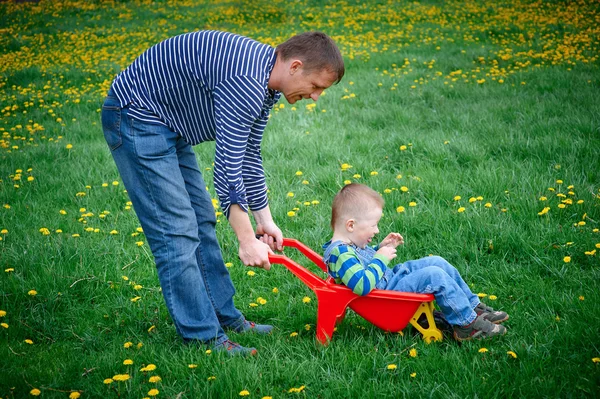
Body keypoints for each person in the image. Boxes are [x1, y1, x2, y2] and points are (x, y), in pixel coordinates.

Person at [101, 30, 344, 355]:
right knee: (177, 233)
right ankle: (203, 338)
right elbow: (228, 171)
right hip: (136, 116)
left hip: (167, 122)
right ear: (295, 66)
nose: (315, 98)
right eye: (316, 87)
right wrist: (245, 241)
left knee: (201, 220)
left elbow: (248, 155)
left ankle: (223, 316)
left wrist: (264, 221)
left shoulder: (267, 85)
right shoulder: (246, 82)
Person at [322, 183, 508, 341]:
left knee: (437, 261)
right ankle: (466, 324)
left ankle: (471, 307)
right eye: (373, 225)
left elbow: (363, 264)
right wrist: (381, 258)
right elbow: (362, 285)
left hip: (391, 280)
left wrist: (380, 248)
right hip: (387, 295)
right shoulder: (341, 254)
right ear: (351, 225)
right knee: (434, 275)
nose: (377, 230)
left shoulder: (348, 246)